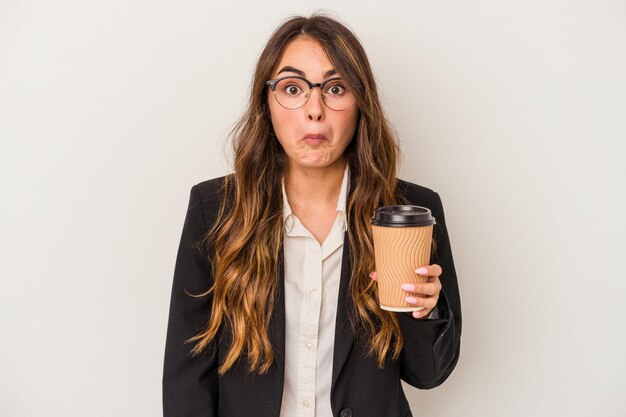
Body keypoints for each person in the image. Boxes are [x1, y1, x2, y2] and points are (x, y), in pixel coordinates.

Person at [163, 14, 461, 417]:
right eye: (292, 88)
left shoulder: (409, 212)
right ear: (266, 103)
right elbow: (186, 378)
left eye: (336, 89)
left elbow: (428, 374)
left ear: (361, 104)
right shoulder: (215, 209)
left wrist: (425, 313)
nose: (314, 110)